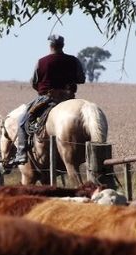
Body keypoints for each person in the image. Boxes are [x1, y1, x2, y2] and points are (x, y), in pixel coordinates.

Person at [6, 34, 86, 168]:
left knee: (21, 121)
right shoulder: (74, 61)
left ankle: (21, 152)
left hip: (48, 98)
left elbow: (34, 82)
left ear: (50, 45)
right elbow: (81, 79)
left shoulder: (41, 62)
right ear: (63, 45)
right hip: (68, 97)